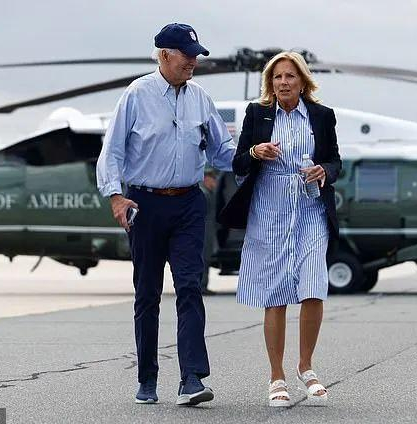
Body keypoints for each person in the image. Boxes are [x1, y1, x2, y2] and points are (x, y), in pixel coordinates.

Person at [96, 23, 235, 406]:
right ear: (164, 55)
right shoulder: (136, 95)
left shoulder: (200, 97)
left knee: (190, 287)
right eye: (187, 55)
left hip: (189, 203)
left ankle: (191, 379)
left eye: (196, 56)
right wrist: (115, 197)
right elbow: (112, 152)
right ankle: (147, 378)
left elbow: (221, 151)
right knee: (147, 294)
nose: (193, 62)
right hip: (145, 204)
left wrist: (255, 156)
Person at [219, 51, 341, 407]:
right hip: (269, 208)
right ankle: (276, 376)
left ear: (302, 81)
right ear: (270, 83)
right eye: (277, 77)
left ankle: (306, 366)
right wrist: (255, 152)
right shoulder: (257, 113)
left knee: (313, 284)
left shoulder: (322, 115)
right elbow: (238, 162)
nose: (283, 82)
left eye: (289, 76)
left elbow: (335, 161)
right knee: (275, 292)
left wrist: (324, 171)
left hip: (309, 207)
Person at [200, 166, 218, 295]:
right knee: (203, 259)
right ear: (206, 179)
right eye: (213, 179)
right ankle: (201, 286)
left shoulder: (207, 192)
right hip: (204, 232)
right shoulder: (204, 193)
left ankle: (203, 285)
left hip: (208, 232)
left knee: (205, 259)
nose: (215, 183)